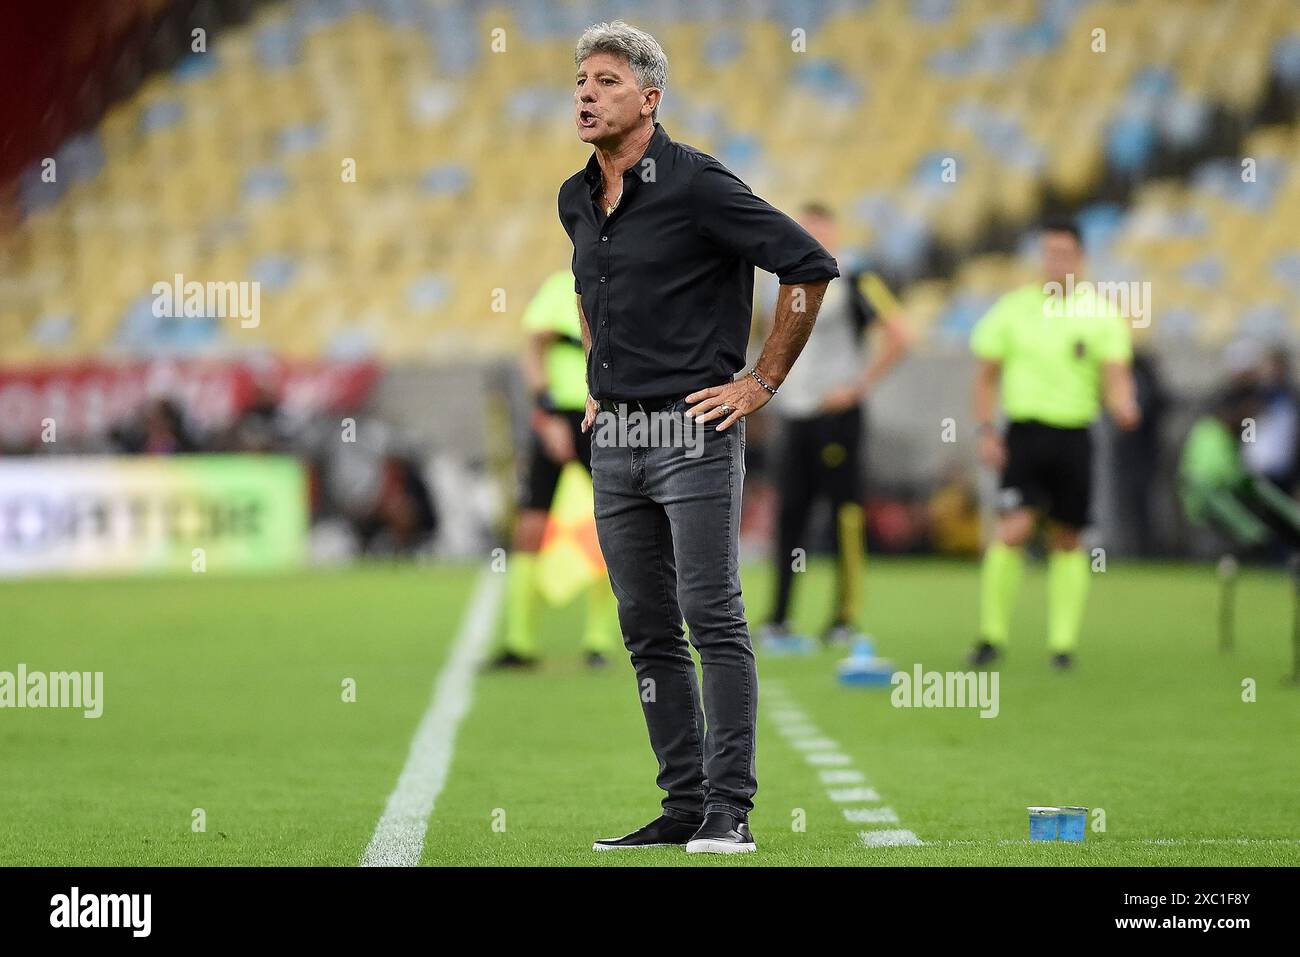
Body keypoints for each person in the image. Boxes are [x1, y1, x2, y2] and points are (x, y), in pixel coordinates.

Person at [559, 21, 838, 854]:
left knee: (709, 614)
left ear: (649, 98)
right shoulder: (574, 196)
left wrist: (760, 381)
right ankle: (683, 805)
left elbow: (809, 264)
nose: (584, 92)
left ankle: (731, 810)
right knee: (645, 626)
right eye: (580, 79)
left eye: (606, 80)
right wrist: (593, 381)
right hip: (617, 438)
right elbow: (591, 287)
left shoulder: (699, 184)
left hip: (693, 431)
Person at [967, 218, 1140, 670]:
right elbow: (986, 376)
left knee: (1068, 537)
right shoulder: (1013, 309)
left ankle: (1062, 646)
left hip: (1074, 436)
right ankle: (991, 636)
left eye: (1064, 254)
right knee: (1013, 530)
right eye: (1049, 253)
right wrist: (987, 430)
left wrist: (1124, 405)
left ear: (1080, 259)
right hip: (1024, 435)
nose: (1056, 262)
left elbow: (1116, 377)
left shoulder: (1100, 314)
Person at [756, 202, 913, 651]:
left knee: (844, 513)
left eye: (818, 228)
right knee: (790, 516)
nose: (811, 236)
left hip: (837, 416)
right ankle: (780, 618)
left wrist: (857, 387)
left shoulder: (856, 280)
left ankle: (844, 617)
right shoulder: (781, 284)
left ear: (835, 232)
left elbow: (901, 333)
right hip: (795, 415)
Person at [486, 269, 619, 670]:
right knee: (530, 528)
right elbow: (535, 351)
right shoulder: (563, 286)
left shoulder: (628, 276)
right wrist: (546, 415)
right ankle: (519, 642)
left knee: (614, 526)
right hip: (563, 416)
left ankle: (599, 640)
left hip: (609, 418)